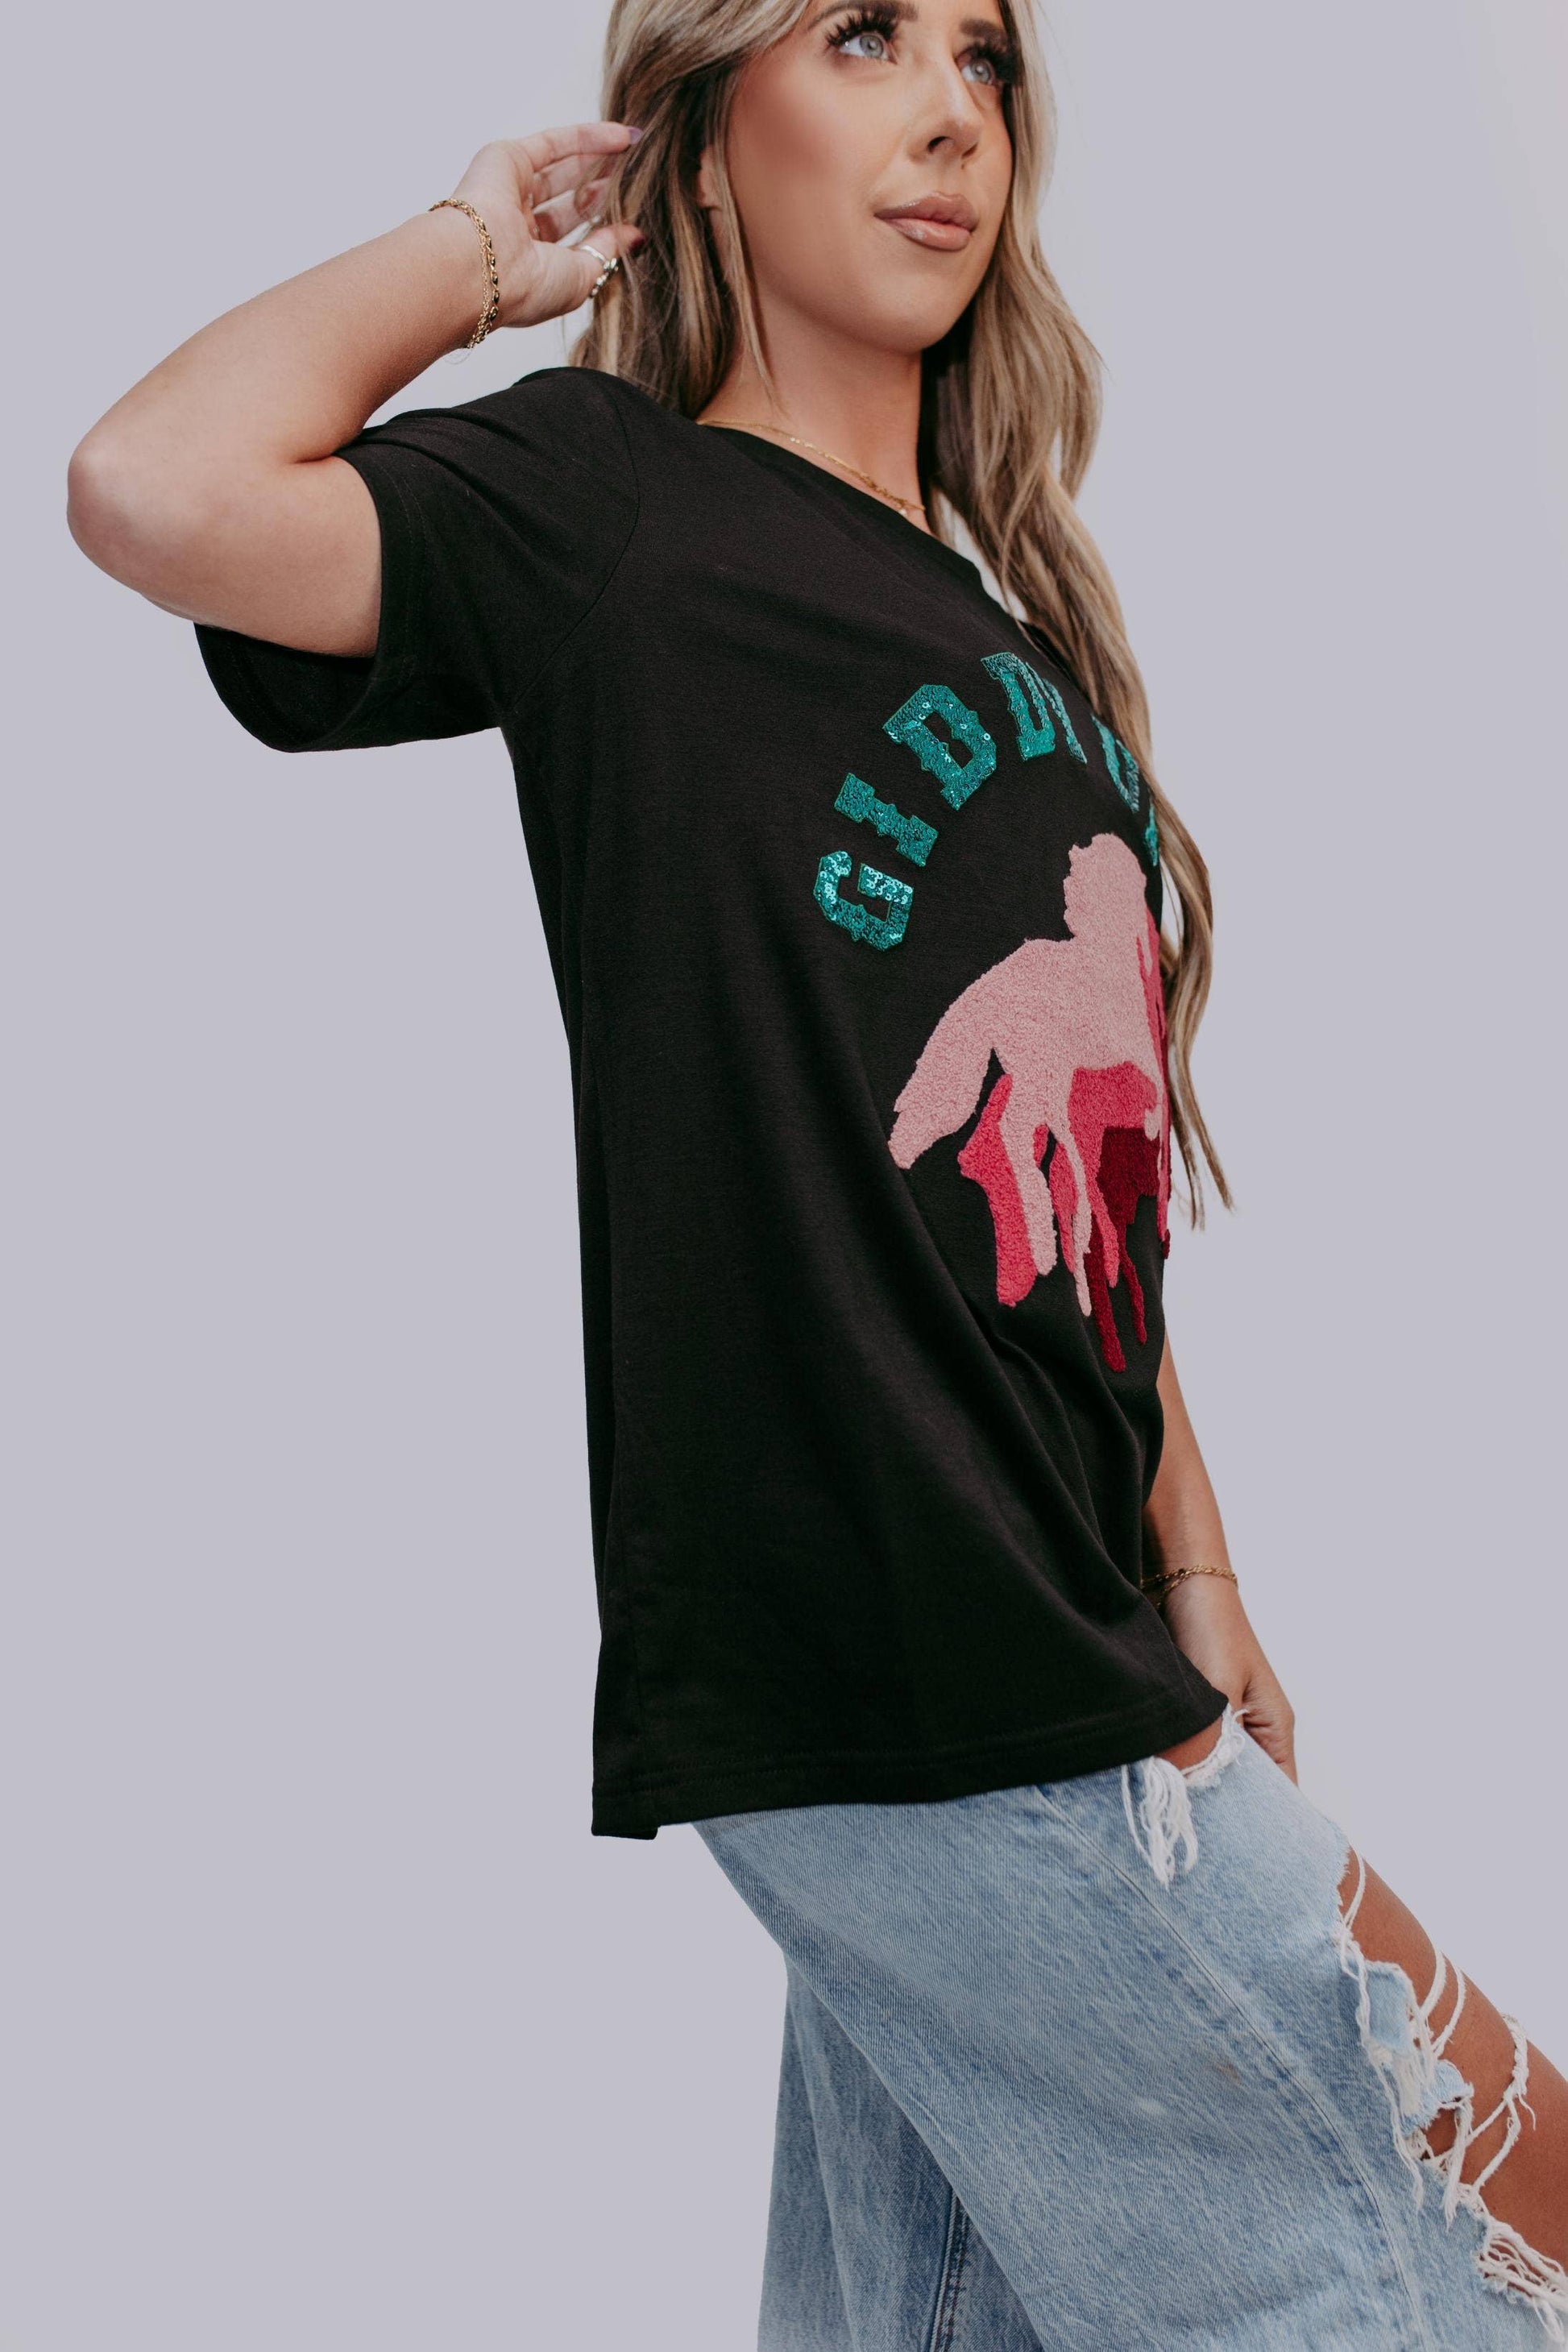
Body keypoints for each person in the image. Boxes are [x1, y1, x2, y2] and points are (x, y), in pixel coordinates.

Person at [67, 0, 1566, 2342]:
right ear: (707, 126)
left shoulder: (999, 622)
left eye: (981, 57)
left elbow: (1093, 1178)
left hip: (1045, 1620)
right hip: (905, 1634)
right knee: (1496, 2217)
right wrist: (476, 251)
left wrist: (1192, 1554)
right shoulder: (613, 512)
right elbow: (151, 484)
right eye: (864, 37)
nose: (948, 110)